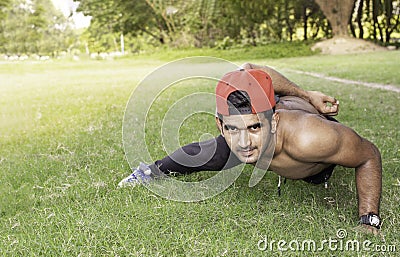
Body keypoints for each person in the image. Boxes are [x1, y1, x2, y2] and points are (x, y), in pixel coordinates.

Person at [119, 64, 382, 234]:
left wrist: (368, 219)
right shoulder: (236, 138)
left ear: (274, 120)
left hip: (310, 159)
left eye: (254, 128)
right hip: (278, 110)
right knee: (210, 153)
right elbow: (251, 68)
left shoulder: (313, 138)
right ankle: (146, 173)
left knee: (316, 175)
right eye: (232, 129)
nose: (243, 142)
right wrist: (305, 92)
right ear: (220, 124)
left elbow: (369, 155)